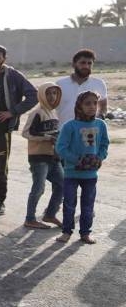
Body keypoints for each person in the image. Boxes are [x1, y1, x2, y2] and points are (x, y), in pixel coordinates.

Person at [0, 45, 38, 216]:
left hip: (1, 131)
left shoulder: (12, 76)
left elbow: (33, 95)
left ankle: (0, 201)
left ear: (4, 59)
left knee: (0, 168)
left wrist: (12, 112)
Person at [55, 90, 109, 244]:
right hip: (72, 173)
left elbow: (105, 144)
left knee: (88, 205)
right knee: (69, 203)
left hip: (91, 175)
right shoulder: (70, 126)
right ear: (79, 106)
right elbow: (61, 148)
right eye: (87, 103)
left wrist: (99, 158)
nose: (92, 106)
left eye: (95, 103)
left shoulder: (101, 124)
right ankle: (66, 231)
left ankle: (85, 233)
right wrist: (78, 160)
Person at [20, 82, 64, 229]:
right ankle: (30, 218)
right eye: (48, 93)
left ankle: (50, 214)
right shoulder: (37, 113)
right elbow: (26, 133)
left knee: (62, 185)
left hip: (53, 157)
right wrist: (46, 137)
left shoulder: (53, 112)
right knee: (39, 188)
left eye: (54, 93)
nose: (52, 96)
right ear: (42, 95)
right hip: (39, 157)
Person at [55, 49, 108, 126]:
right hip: (64, 131)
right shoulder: (60, 84)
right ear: (73, 64)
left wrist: (99, 118)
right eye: (82, 63)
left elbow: (103, 106)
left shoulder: (99, 84)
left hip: (90, 132)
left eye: (89, 63)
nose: (86, 66)